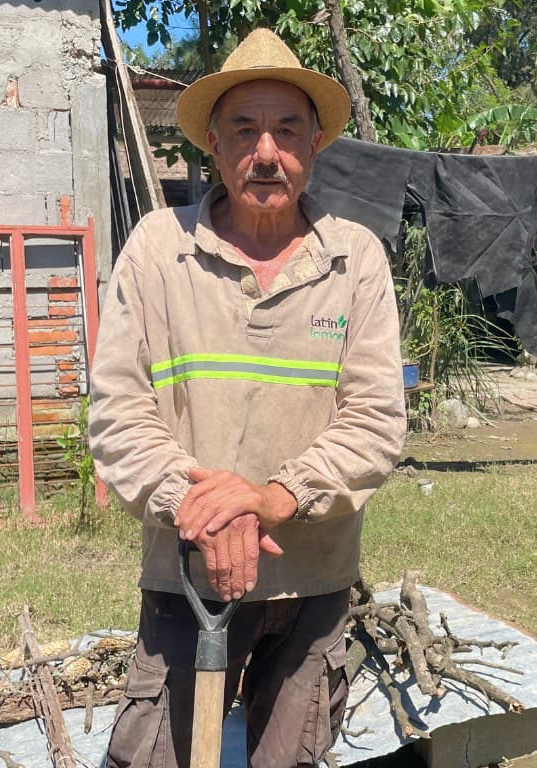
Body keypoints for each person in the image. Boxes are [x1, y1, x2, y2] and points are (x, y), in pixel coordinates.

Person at [88, 28, 407, 768]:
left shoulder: (354, 259)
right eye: (244, 130)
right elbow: (119, 411)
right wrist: (204, 512)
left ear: (315, 145)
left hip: (312, 583)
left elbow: (374, 421)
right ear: (213, 144)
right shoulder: (157, 250)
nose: (266, 152)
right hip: (185, 579)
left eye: (287, 130)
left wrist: (272, 498)